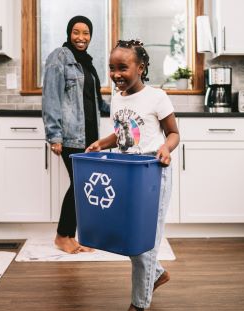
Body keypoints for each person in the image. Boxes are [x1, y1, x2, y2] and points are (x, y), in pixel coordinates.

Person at [86, 39, 180, 311]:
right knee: (129, 236)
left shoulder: (157, 97)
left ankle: (139, 304)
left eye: (123, 68)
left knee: (145, 242)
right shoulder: (118, 96)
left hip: (152, 172)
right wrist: (103, 143)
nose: (116, 74)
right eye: (112, 68)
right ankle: (158, 273)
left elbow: (173, 132)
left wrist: (165, 147)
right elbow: (124, 134)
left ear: (141, 67)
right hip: (125, 172)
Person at [42, 15, 109, 254]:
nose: (81, 38)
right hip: (70, 136)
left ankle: (72, 235)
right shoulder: (59, 57)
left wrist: (126, 105)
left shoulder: (86, 63)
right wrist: (54, 135)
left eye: (86, 33)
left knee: (85, 185)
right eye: (76, 32)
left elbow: (97, 102)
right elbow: (51, 98)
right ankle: (63, 235)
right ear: (69, 33)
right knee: (81, 185)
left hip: (90, 137)